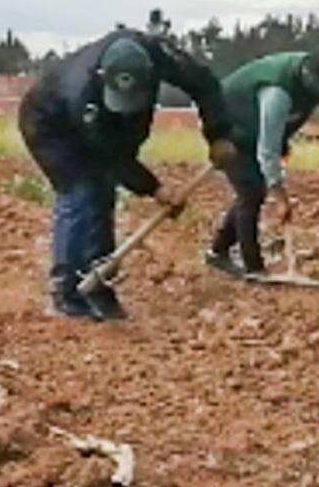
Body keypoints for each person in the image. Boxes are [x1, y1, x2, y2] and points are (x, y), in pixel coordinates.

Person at [17, 27, 233, 322]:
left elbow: (205, 84)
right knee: (81, 194)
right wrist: (155, 189)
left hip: (95, 127)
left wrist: (219, 135)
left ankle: (98, 286)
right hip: (50, 125)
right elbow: (112, 157)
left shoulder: (161, 55)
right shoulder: (82, 93)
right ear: (104, 77)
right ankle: (66, 291)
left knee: (103, 196)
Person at [208, 44, 319, 278]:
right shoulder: (278, 93)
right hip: (226, 125)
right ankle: (253, 267)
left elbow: (285, 128)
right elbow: (267, 150)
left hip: (251, 128)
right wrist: (281, 197)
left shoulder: (311, 87)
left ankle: (218, 251)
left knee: (252, 190)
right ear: (308, 75)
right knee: (251, 192)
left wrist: (282, 145)